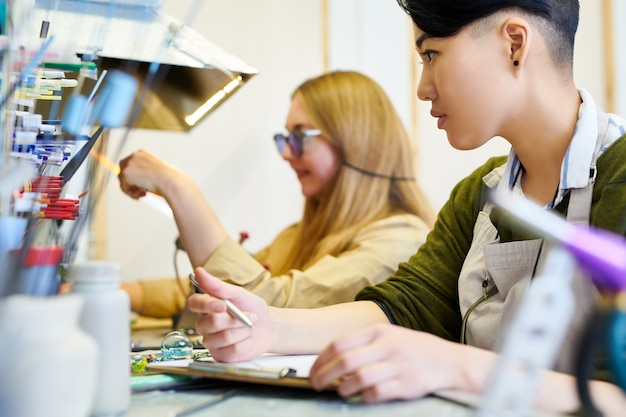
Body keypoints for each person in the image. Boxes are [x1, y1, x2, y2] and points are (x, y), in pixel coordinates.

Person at [186, 1, 626, 416]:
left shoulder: (619, 174)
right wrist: (270, 327)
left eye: (431, 54)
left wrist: (450, 364)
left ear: (514, 44)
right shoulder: (480, 193)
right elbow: (405, 306)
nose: (421, 88)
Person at [117, 70, 435, 318]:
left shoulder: (400, 240)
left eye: (298, 136)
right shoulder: (297, 237)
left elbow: (271, 305)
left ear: (356, 141)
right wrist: (116, 292)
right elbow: (201, 288)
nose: (285, 154)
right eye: (285, 139)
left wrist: (178, 187)